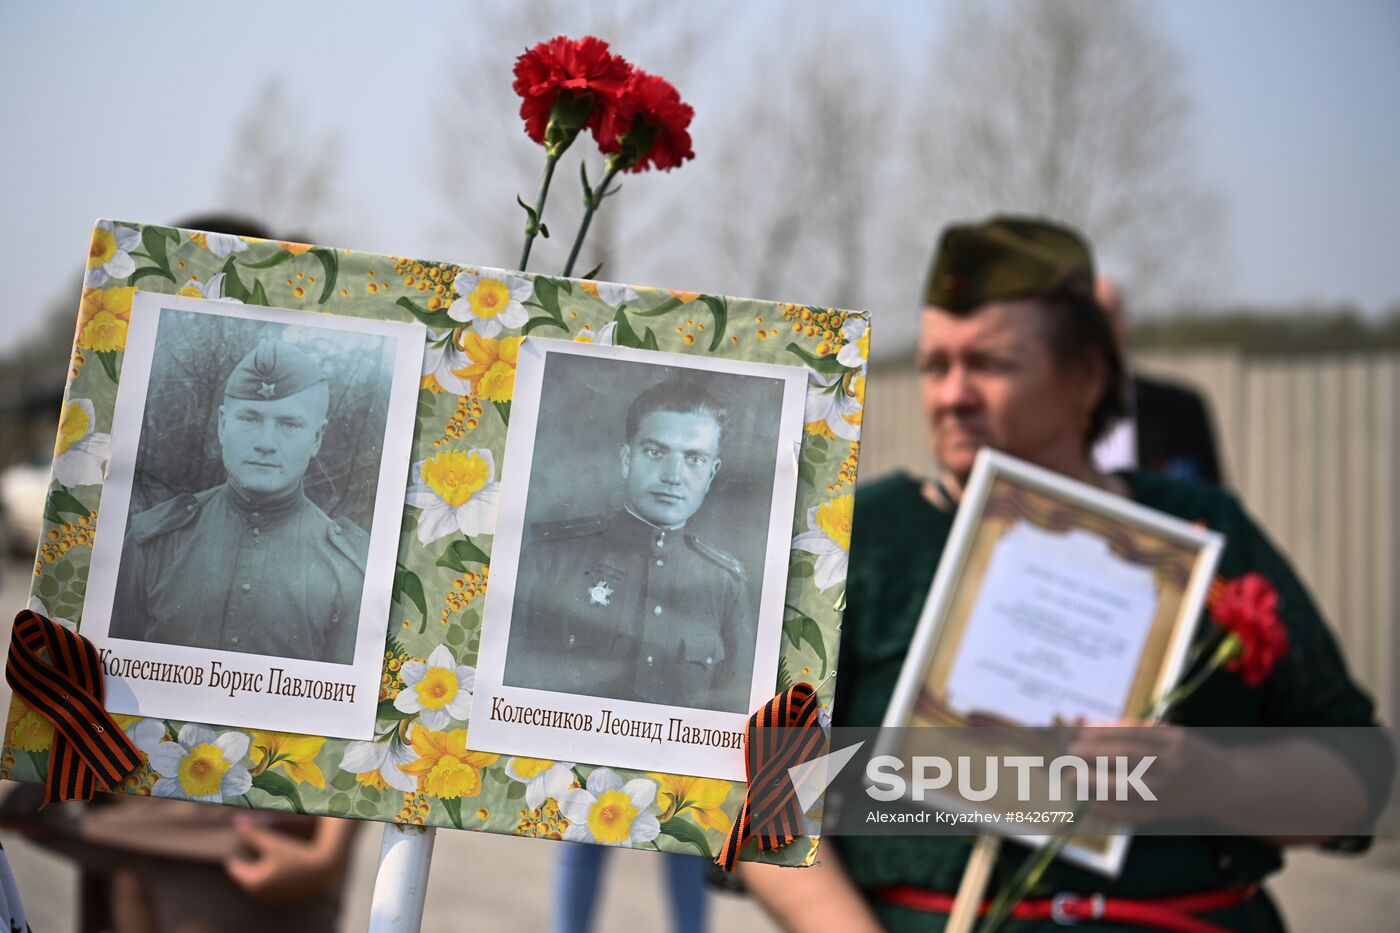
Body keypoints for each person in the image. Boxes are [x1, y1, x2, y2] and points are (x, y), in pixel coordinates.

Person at [739, 215, 1386, 932]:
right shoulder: (855, 538)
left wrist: (1216, 777)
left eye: (990, 364)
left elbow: (1355, 775)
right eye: (935, 364)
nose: (952, 394)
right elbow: (768, 803)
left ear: (1086, 376)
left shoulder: (1204, 531)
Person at [110, 337, 367, 664]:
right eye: (249, 419)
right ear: (222, 425)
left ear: (316, 438)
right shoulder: (153, 541)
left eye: (288, 424)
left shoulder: (349, 570)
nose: (266, 443)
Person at [505, 376, 754, 713]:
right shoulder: (551, 559)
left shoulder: (727, 584)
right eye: (655, 452)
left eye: (694, 459)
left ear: (712, 474)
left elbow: (735, 718)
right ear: (626, 459)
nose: (673, 475)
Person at [1092, 275, 1225, 483]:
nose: (1099, 327)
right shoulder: (1042, 414)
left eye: (1108, 314)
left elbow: (1210, 503)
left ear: (1125, 325)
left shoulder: (1180, 409)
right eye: (1089, 316)